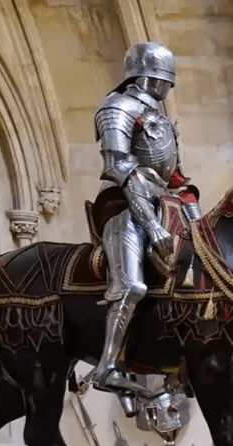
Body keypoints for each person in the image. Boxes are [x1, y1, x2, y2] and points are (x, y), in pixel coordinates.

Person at [91, 41, 200, 399]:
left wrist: (201, 231)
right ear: (151, 76)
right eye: (167, 80)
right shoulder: (116, 107)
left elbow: (178, 180)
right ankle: (107, 365)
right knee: (132, 286)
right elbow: (119, 166)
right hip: (123, 204)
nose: (170, 87)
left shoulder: (163, 119)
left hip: (162, 203)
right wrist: (151, 225)